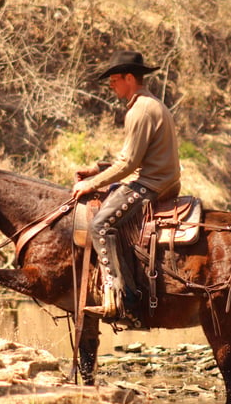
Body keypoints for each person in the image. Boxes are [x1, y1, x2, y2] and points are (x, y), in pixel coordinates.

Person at [72, 51, 181, 324]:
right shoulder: (148, 105)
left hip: (151, 185)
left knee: (99, 225)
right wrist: (99, 169)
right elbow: (134, 157)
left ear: (130, 77)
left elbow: (129, 163)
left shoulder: (141, 110)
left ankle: (125, 296)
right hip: (159, 179)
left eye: (114, 79)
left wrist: (91, 184)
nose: (111, 85)